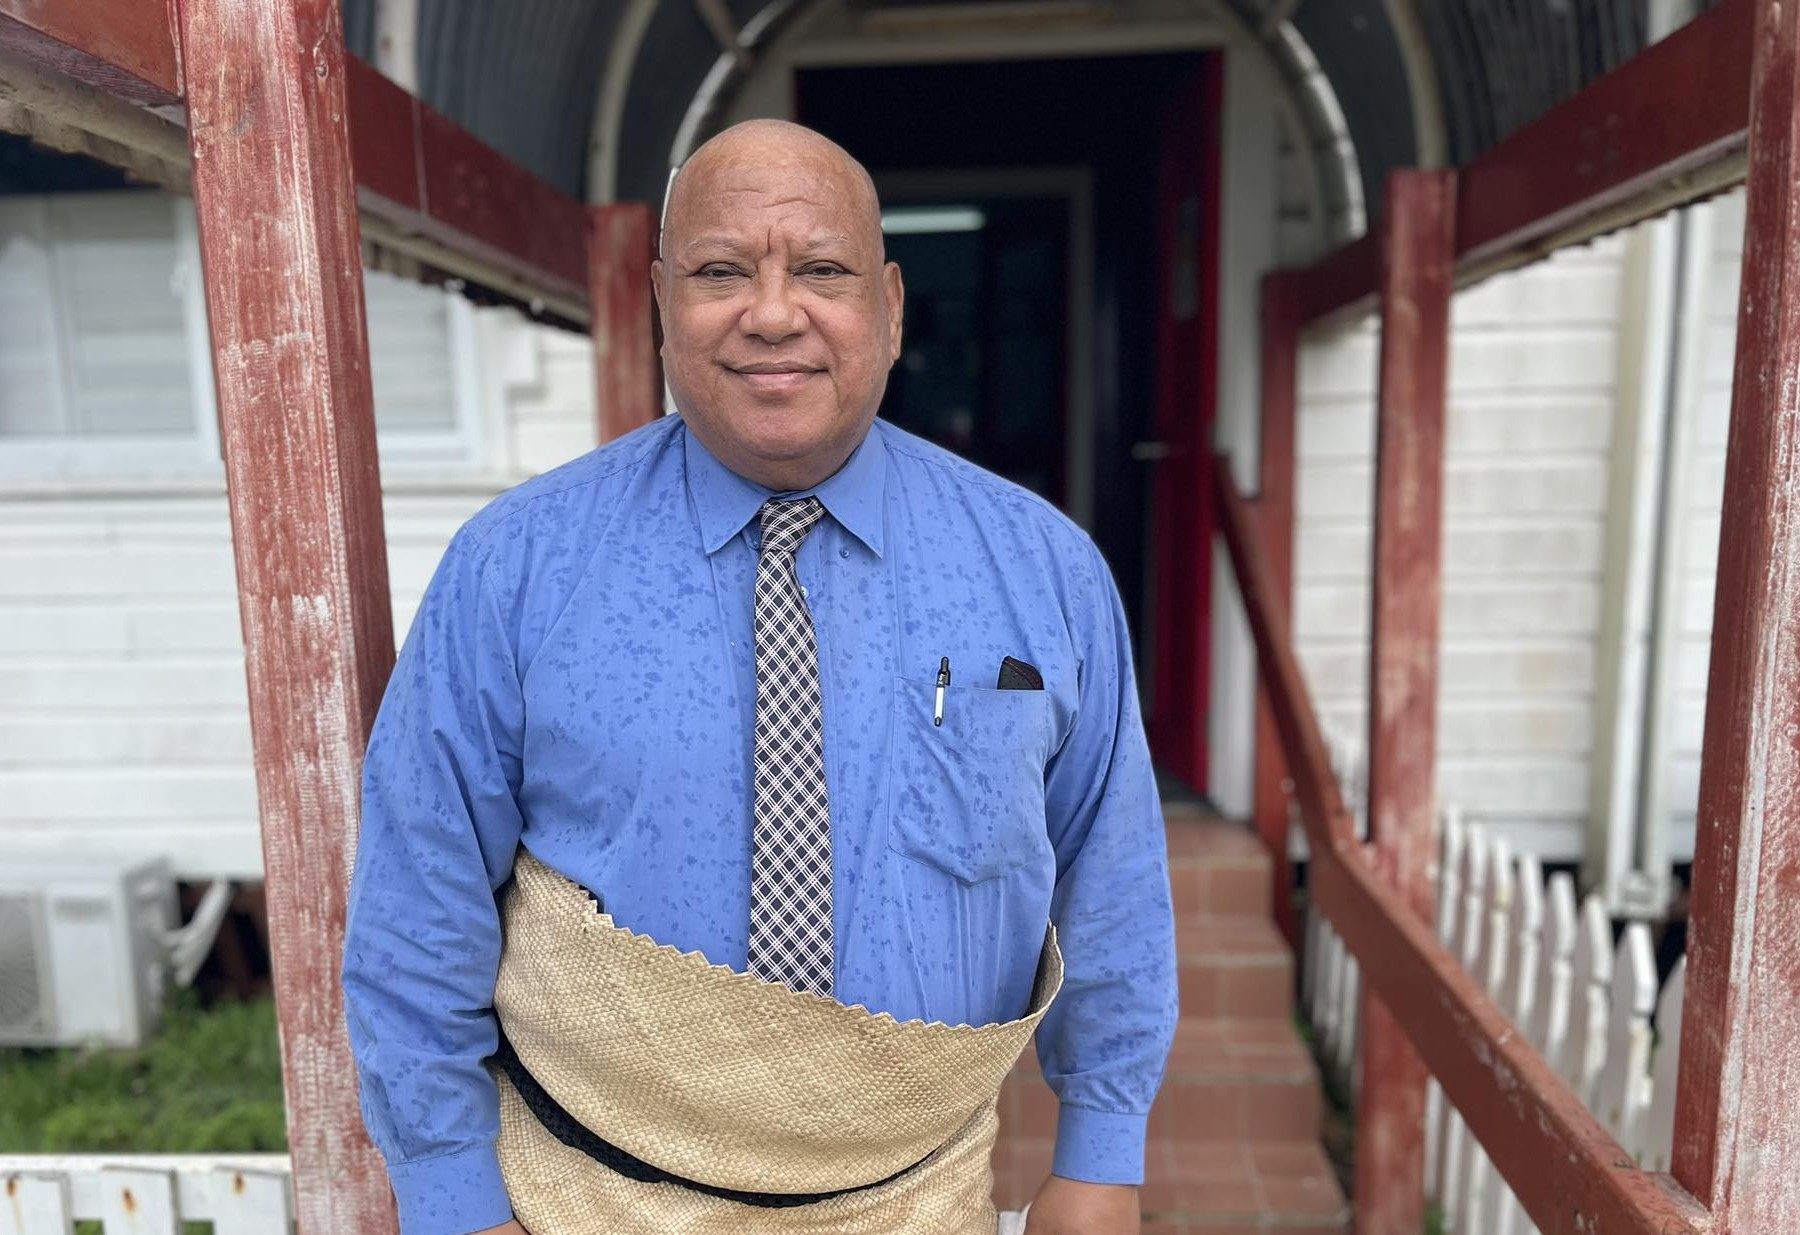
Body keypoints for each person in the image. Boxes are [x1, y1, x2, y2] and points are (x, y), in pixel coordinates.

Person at [342, 118, 1177, 1235]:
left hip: (915, 1199)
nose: (773, 312)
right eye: (721, 271)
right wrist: (451, 1194)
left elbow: (1108, 873)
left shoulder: (1041, 570)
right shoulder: (519, 566)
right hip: (582, 1199)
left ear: (889, 306)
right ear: (659, 302)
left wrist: (1103, 1150)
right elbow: (419, 892)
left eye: (820, 270)